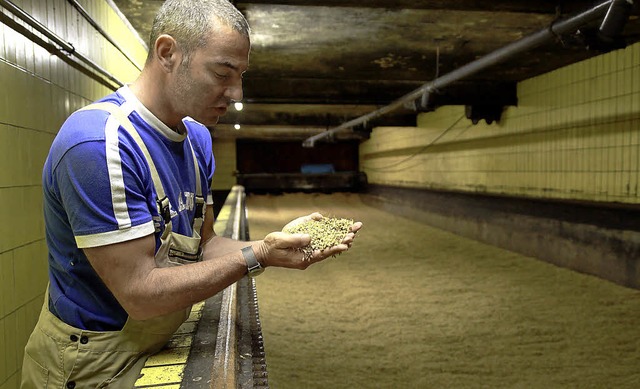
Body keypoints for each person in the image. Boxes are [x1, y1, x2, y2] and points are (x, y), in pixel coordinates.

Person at [20, 0, 362, 387]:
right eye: (222, 72)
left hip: (160, 336)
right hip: (92, 359)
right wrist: (257, 256)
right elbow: (141, 293)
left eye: (241, 74)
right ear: (167, 53)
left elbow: (206, 243)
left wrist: (273, 244)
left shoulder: (197, 137)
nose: (235, 91)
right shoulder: (100, 144)